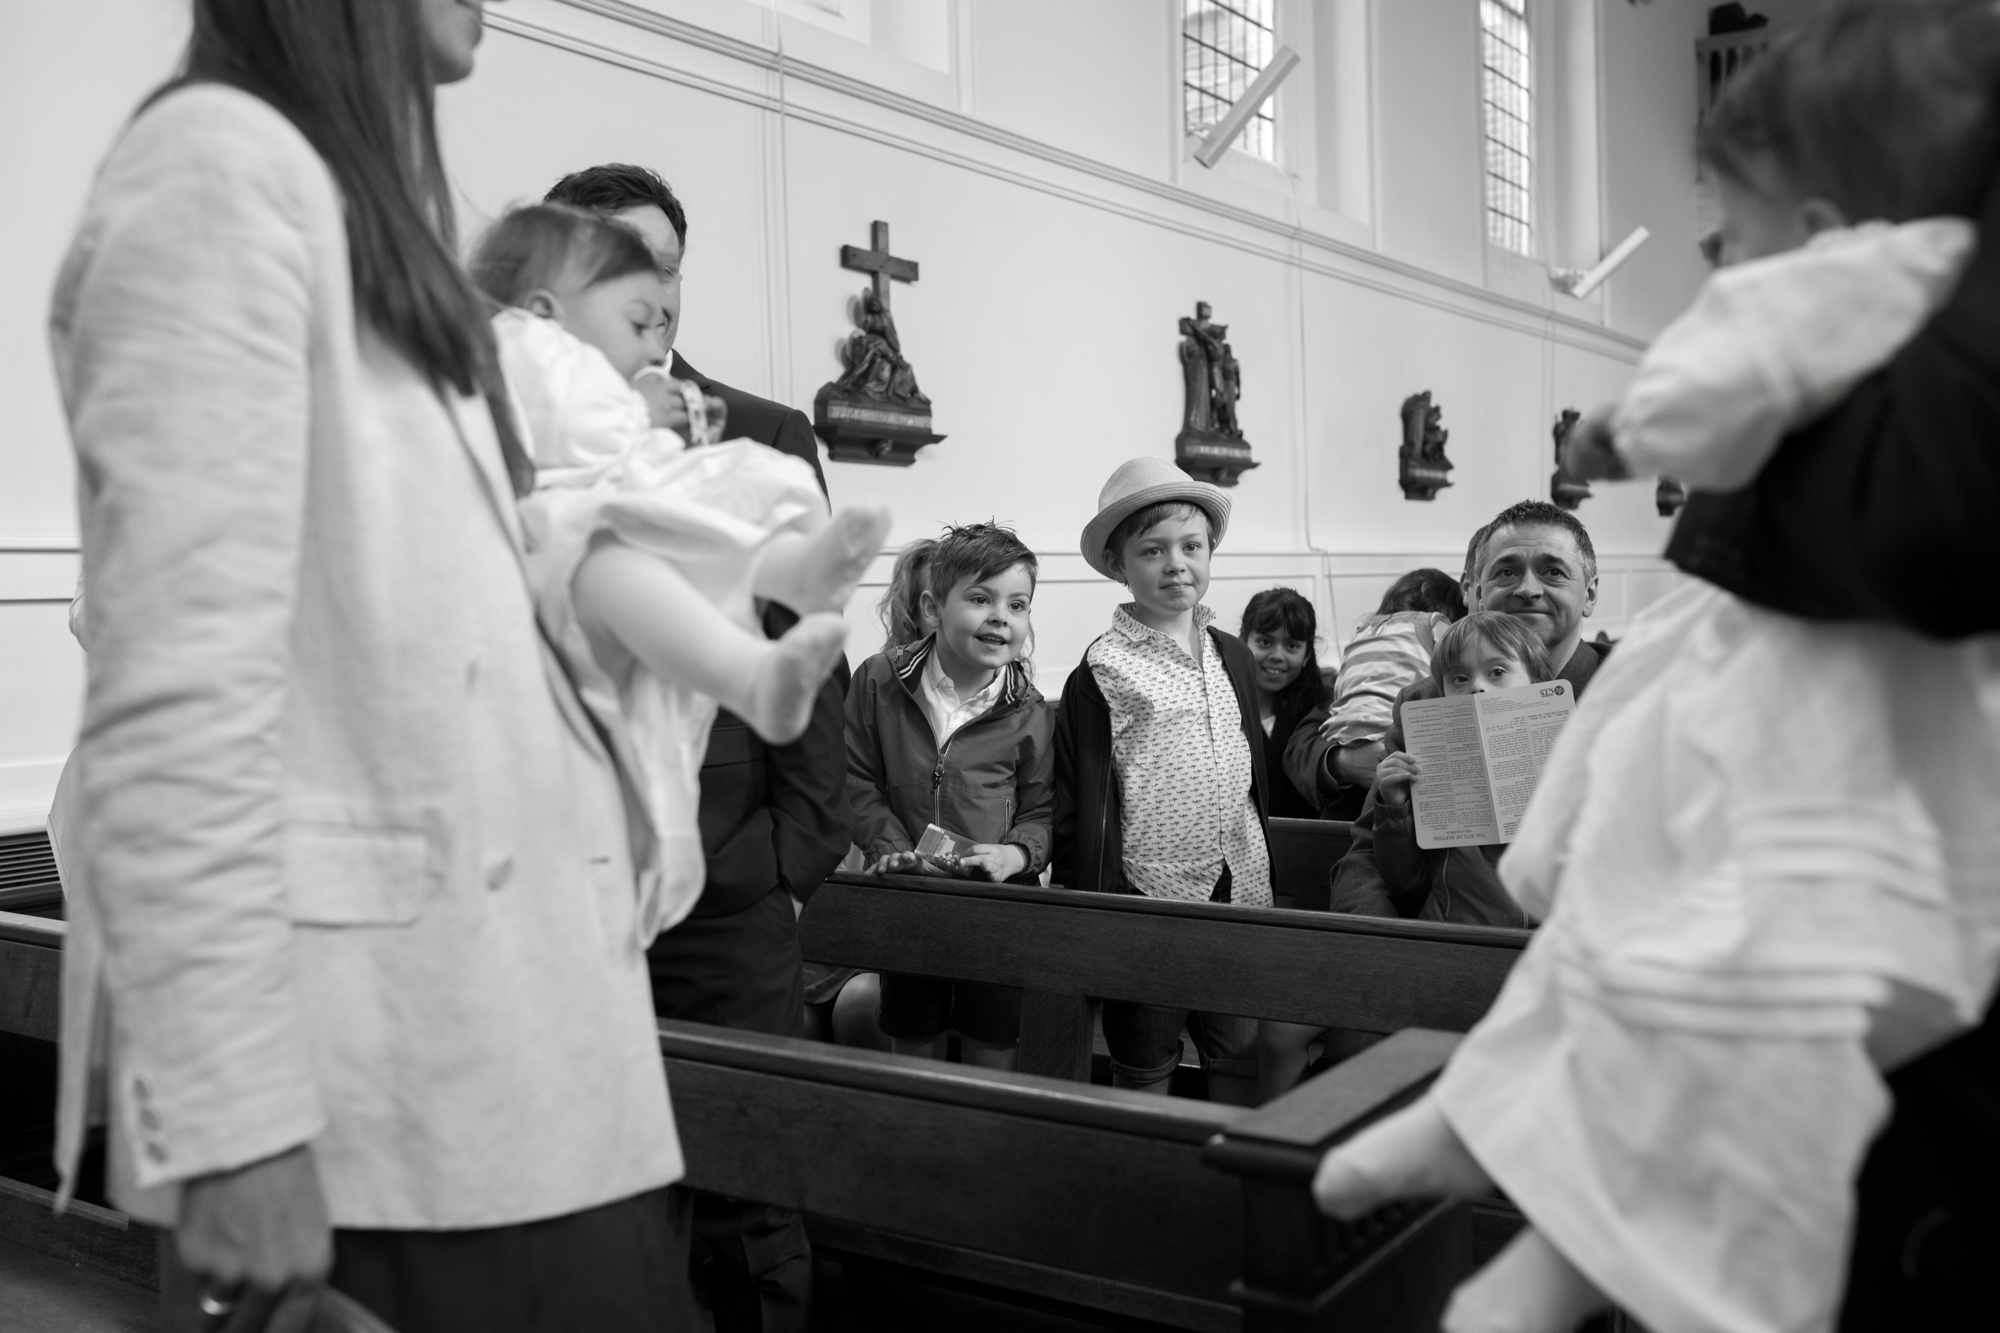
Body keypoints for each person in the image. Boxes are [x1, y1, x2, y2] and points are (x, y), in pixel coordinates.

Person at [1313, 8, 2000, 1333]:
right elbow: (1397, 860)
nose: (1524, 594)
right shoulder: (1470, 685)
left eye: (1549, 574)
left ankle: (1549, 1224)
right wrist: (1402, 788)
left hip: (1765, 897)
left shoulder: (1850, 330)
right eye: (1501, 573)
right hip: (1531, 952)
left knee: (1715, 1009)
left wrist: (1622, 444)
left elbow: (1714, 403)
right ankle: (1500, 1166)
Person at [45, 2, 703, 1329]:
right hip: (377, 1092)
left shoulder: (364, 214)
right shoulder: (218, 172)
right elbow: (179, 702)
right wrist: (234, 1128)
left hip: (514, 1042)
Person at [546, 168, 854, 1333]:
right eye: (622, 260)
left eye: (667, 263)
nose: (655, 287)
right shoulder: (521, 426)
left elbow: (810, 646)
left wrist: (788, 860)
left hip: (727, 881)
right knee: (595, 1184)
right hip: (563, 884)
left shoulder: (762, 431)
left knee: (743, 1187)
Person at [1053, 457, 1272, 1106]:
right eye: (1153, 550)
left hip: (1240, 884)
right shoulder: (1104, 670)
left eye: (1191, 547)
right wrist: (1102, 904)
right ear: (1119, 564)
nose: (1176, 564)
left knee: (1239, 1046)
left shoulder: (1233, 654)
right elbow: (1082, 801)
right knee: (1145, 1055)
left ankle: (1230, 1160)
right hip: (1149, 895)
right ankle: (1137, 1158)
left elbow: (1254, 773)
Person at [845, 524, 1055, 1072]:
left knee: (993, 1041)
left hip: (998, 903)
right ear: (933, 609)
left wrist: (1015, 855)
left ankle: (986, 1126)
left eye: (1017, 605)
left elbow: (1042, 811)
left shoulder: (1030, 711)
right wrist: (892, 850)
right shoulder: (879, 681)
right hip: (909, 894)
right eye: (981, 599)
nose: (1001, 617)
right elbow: (856, 779)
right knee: (914, 1038)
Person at [544, 162, 825, 492]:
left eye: (663, 270)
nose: (649, 297)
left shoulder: (771, 433)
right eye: (619, 269)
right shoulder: (509, 417)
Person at [1285, 568, 1465, 819]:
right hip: (1404, 773)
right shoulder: (1437, 627)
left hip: (1345, 748)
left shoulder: (1361, 635)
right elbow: (1300, 745)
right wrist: (1345, 762)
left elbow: (1338, 699)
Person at [1238, 588, 1329, 821]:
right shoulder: (1218, 705)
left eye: (1292, 646)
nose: (1277, 655)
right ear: (1242, 642)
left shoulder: (1324, 713)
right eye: (1265, 642)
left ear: (1307, 655)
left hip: (1302, 838)